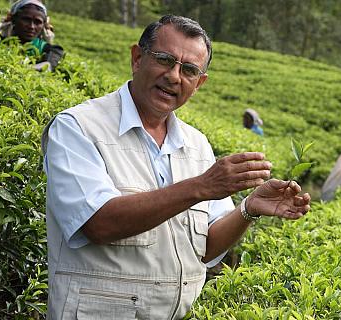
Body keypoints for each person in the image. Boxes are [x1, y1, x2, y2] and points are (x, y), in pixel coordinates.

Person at [41, 15, 310, 319]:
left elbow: (205, 248)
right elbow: (97, 223)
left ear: (199, 83)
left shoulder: (197, 145)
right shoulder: (77, 128)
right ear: (137, 58)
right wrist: (199, 187)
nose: (174, 76)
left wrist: (249, 208)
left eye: (189, 70)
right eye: (165, 60)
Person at [0, 0, 65, 71]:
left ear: (43, 26)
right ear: (14, 19)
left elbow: (48, 66)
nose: (32, 26)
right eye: (26, 20)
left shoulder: (52, 50)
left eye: (37, 22)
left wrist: (20, 68)